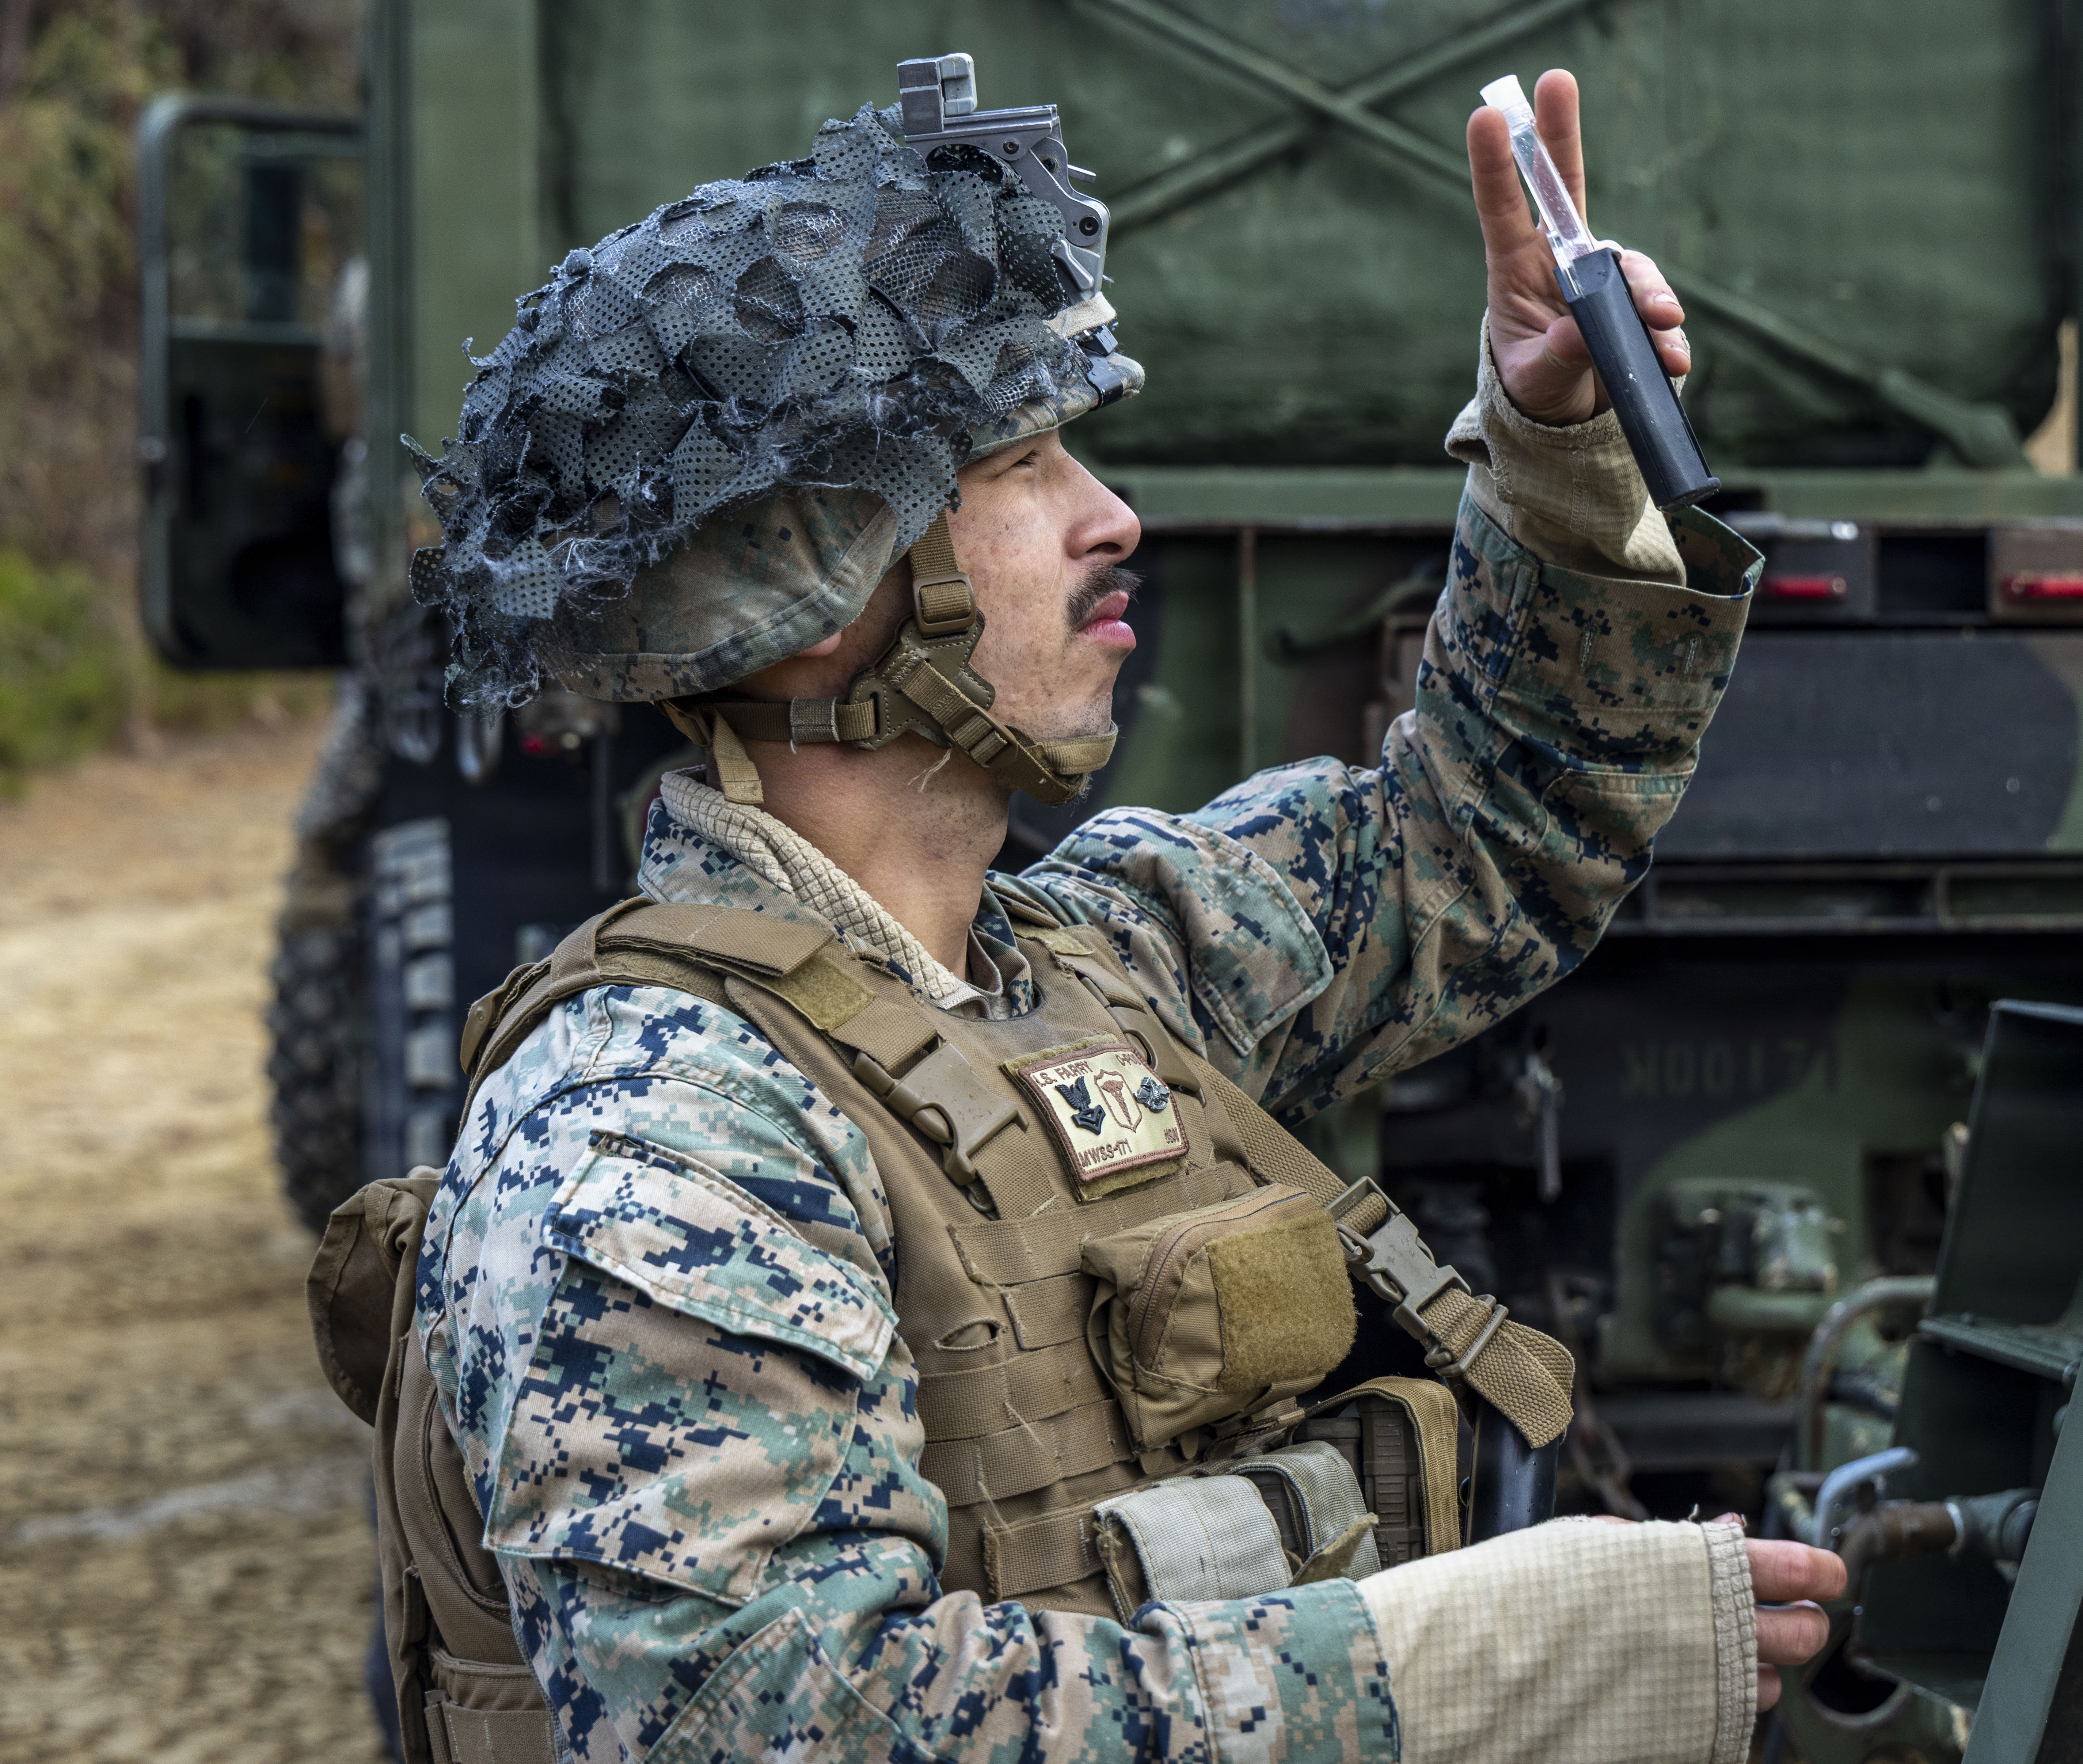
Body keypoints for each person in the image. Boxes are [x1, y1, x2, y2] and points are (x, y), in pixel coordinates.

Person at [343, 55, 1846, 1764]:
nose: (1111, 516)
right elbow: (786, 1730)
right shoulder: (657, 1132)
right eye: (1022, 465)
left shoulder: (1092, 969)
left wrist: (1556, 442)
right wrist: (1486, 1664)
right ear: (820, 580)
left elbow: (1473, 841)